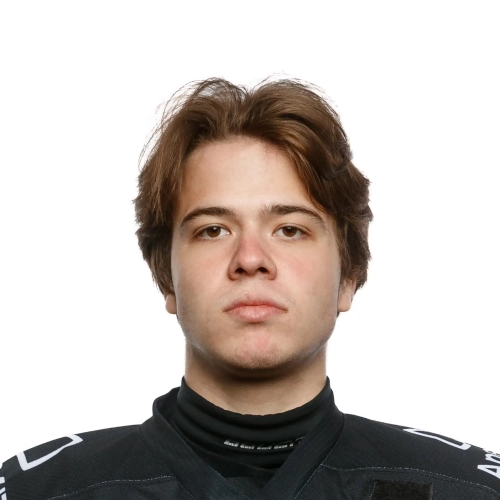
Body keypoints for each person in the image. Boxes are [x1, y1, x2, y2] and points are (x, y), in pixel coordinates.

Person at [1, 78, 499, 500]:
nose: (250, 258)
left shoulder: (465, 489)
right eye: (213, 229)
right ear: (166, 277)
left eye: (290, 229)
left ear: (347, 276)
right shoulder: (39, 491)